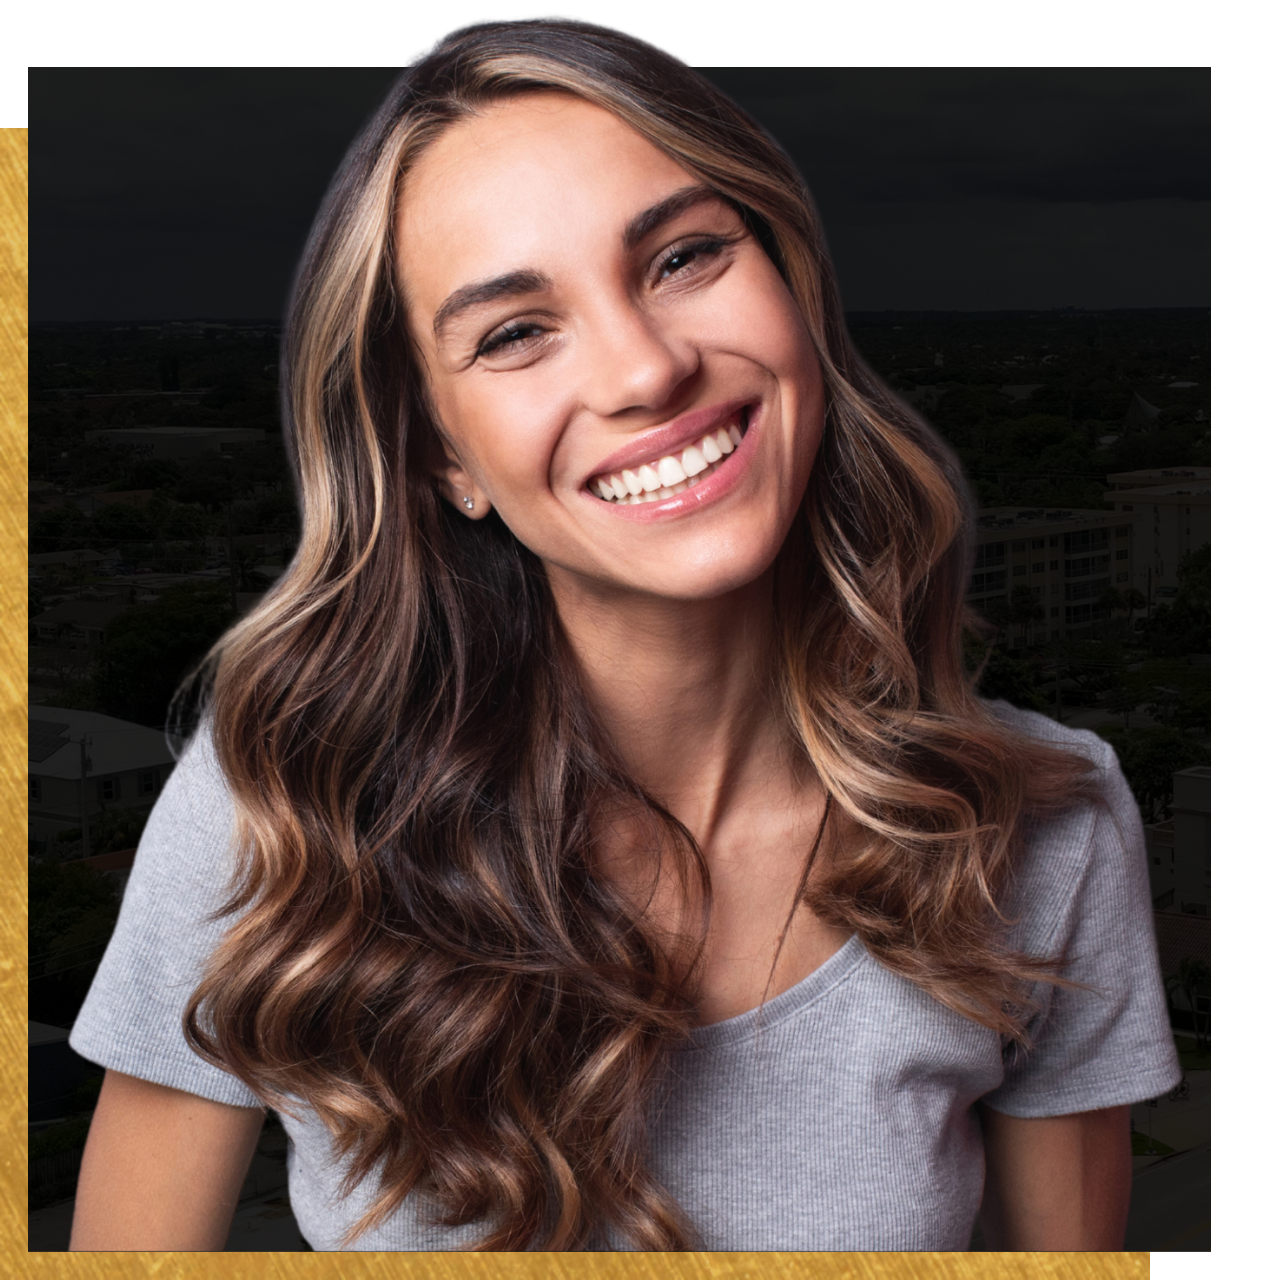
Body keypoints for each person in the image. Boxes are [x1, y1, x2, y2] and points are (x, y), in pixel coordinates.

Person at [68, 22, 1182, 1252]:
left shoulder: (1047, 827)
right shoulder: (282, 800)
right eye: (512, 331)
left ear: (791, 278)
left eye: (683, 255)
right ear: (444, 457)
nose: (645, 370)